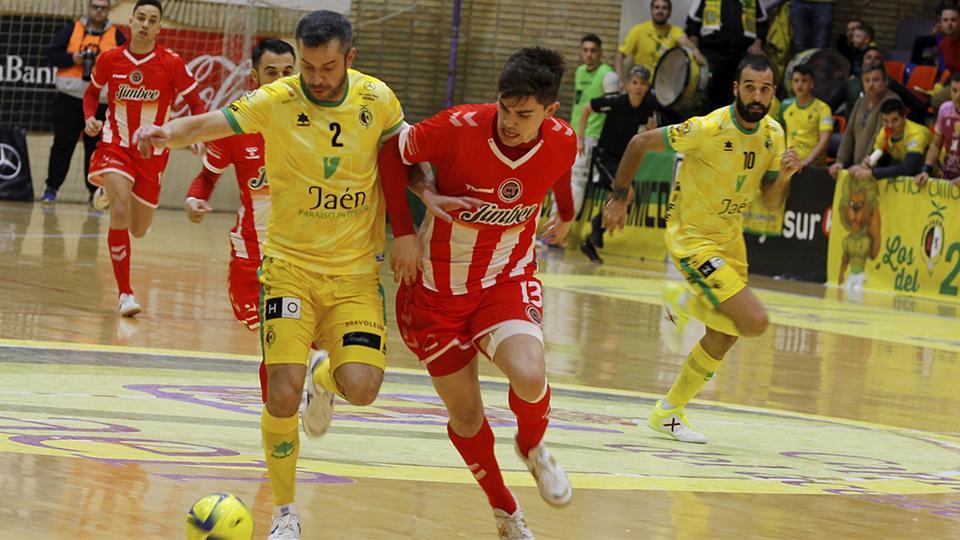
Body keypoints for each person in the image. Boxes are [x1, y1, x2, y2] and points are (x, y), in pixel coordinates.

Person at [135, 11, 409, 539]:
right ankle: (285, 513)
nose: (316, 78)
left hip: (355, 276)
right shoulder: (277, 99)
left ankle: (324, 378)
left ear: (349, 59)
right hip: (288, 270)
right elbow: (206, 124)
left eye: (328, 67)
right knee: (281, 391)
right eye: (308, 66)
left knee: (363, 388)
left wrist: (417, 222)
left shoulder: (378, 99)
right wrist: (164, 133)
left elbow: (404, 160)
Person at [378, 46, 576, 539]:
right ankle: (505, 511)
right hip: (435, 292)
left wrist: (568, 212)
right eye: (505, 108)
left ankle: (532, 447)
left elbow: (558, 171)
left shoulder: (562, 140)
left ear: (550, 111)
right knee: (466, 417)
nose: (509, 121)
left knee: (530, 376)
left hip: (505, 280)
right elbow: (391, 152)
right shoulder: (457, 126)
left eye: (524, 114)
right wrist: (403, 231)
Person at [603, 55, 801, 443]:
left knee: (726, 334)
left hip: (731, 242)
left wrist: (785, 177)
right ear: (736, 88)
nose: (757, 96)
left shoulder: (774, 134)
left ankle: (668, 412)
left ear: (773, 93)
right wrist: (620, 196)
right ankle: (681, 302)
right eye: (750, 87)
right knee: (756, 321)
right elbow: (639, 142)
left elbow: (770, 201)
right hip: (692, 238)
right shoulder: (708, 127)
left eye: (765, 89)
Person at [83, 0, 204, 316]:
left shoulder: (171, 63)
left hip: (153, 155)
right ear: (131, 21)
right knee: (121, 209)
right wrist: (90, 118)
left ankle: (107, 193)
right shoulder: (110, 58)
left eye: (152, 20)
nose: (145, 24)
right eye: (141, 18)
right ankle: (125, 294)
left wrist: (195, 135)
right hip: (115, 146)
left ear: (159, 27)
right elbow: (92, 93)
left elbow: (196, 104)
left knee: (137, 229)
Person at [182, 38, 296, 330]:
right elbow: (207, 177)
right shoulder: (234, 124)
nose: (280, 80)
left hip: (300, 252)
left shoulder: (316, 124)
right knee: (268, 332)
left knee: (292, 334)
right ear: (254, 76)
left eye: (287, 72)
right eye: (271, 72)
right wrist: (194, 199)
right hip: (253, 251)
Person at [42, 0, 126, 204]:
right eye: (95, 6)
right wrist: (73, 58)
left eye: (103, 7)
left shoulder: (117, 36)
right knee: (63, 144)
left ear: (108, 10)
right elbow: (52, 55)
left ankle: (94, 192)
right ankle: (51, 189)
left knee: (95, 148)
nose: (99, 11)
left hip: (100, 102)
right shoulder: (72, 29)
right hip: (69, 99)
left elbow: (126, 64)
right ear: (89, 8)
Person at [577, 65, 660, 264]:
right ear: (627, 85)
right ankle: (596, 228)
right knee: (626, 194)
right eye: (634, 83)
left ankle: (589, 241)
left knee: (617, 203)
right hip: (605, 156)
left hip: (625, 160)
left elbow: (649, 135)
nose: (638, 87)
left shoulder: (650, 106)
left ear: (647, 86)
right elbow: (587, 108)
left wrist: (651, 130)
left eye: (642, 83)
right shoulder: (616, 102)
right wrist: (580, 138)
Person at [565, 34, 619, 230]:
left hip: (591, 136)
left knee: (576, 182)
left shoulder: (608, 76)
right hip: (574, 134)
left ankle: (561, 232)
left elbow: (613, 110)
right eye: (585, 50)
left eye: (593, 50)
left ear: (601, 53)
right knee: (565, 181)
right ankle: (556, 231)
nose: (589, 54)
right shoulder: (580, 71)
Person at [686, 0, 770, 112]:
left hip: (743, 56)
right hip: (712, 55)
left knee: (740, 98)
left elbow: (762, 23)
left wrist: (757, 45)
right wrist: (695, 51)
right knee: (710, 101)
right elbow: (693, 24)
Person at [829, 63, 900, 180]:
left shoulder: (891, 102)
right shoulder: (861, 101)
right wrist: (840, 161)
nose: (871, 84)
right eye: (867, 80)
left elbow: (884, 141)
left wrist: (867, 164)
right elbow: (849, 133)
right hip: (860, 167)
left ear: (885, 82)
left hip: (879, 171)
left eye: (875, 80)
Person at [616, 0, 705, 80]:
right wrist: (621, 81)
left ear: (670, 13)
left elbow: (685, 42)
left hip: (664, 86)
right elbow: (620, 56)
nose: (660, 11)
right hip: (642, 84)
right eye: (657, 7)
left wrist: (695, 50)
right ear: (651, 11)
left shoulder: (675, 31)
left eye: (664, 8)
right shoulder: (638, 31)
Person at [849, 99, 930, 181]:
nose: (890, 125)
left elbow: (908, 168)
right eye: (885, 121)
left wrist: (872, 173)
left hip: (931, 174)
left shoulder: (917, 133)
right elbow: (875, 158)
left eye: (894, 120)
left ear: (904, 117)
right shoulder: (884, 132)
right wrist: (864, 166)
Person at [779, 64, 833, 167]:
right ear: (792, 84)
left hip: (813, 167)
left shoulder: (823, 109)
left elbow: (825, 140)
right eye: (796, 81)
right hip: (789, 164)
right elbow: (777, 132)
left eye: (804, 81)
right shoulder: (785, 106)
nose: (799, 84)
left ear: (811, 84)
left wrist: (807, 162)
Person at [917, 72, 960, 186]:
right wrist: (926, 170)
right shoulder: (945, 110)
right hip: (948, 176)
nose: (958, 96)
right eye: (954, 90)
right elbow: (936, 145)